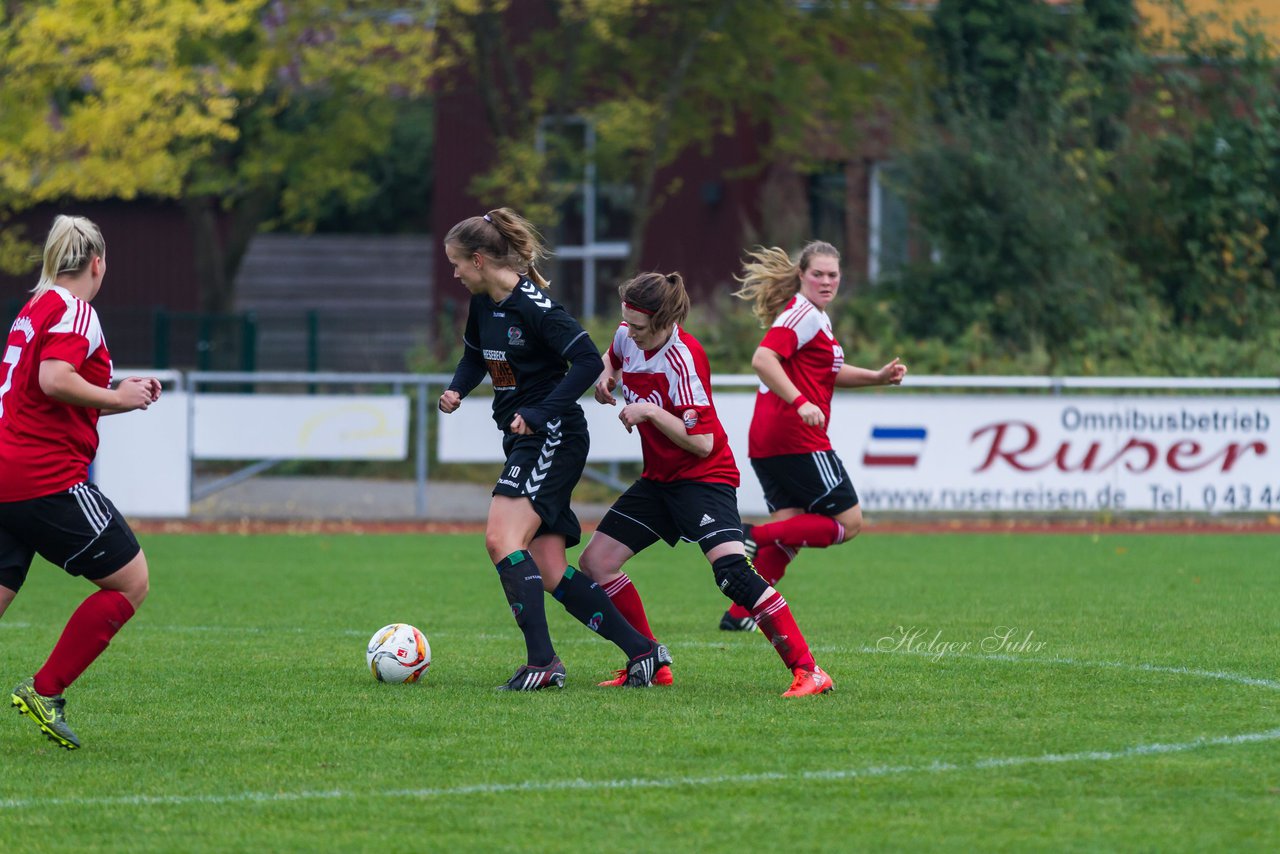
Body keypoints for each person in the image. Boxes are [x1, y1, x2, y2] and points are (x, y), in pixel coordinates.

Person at [438, 208, 669, 691]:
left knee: (501, 540)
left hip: (553, 436)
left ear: (479, 260)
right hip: (527, 437)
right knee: (548, 568)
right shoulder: (485, 303)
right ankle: (643, 652)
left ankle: (543, 662)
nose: (454, 273)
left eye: (457, 263)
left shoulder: (537, 308)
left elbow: (586, 361)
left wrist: (542, 413)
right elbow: (475, 357)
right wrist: (459, 389)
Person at [579, 271, 833, 697]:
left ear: (662, 320)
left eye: (639, 327)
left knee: (732, 574)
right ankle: (649, 659)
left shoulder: (685, 357)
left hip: (704, 478)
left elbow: (702, 442)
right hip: (659, 480)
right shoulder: (629, 334)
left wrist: (651, 413)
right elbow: (614, 357)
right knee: (597, 564)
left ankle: (810, 671)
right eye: (627, 323)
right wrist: (604, 375)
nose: (629, 333)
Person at [1, 215, 163, 750]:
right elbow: (54, 379)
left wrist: (121, 391)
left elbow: (54, 398)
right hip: (43, 478)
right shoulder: (76, 309)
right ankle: (45, 691)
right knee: (130, 582)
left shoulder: (35, 307)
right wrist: (118, 397)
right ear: (97, 263)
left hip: (8, 473)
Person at [717, 242, 906, 632]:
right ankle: (751, 534)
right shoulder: (803, 314)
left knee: (792, 534)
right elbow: (762, 358)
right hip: (796, 437)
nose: (826, 280)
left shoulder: (813, 317)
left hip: (768, 440)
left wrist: (875, 377)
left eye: (832, 274)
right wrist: (801, 402)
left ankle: (739, 615)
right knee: (848, 523)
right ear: (801, 275)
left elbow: (826, 371)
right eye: (818, 273)